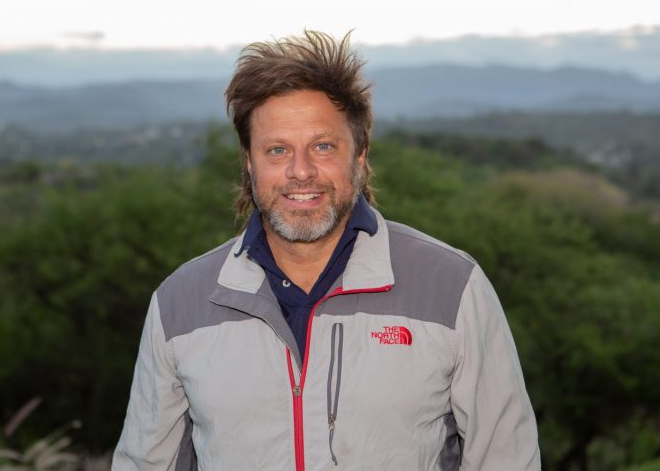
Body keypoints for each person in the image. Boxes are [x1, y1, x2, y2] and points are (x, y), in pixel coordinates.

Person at [112, 30, 541, 470]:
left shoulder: (452, 288)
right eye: (277, 150)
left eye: (322, 146)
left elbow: (506, 459)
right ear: (249, 162)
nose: (301, 171)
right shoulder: (180, 303)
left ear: (360, 155)